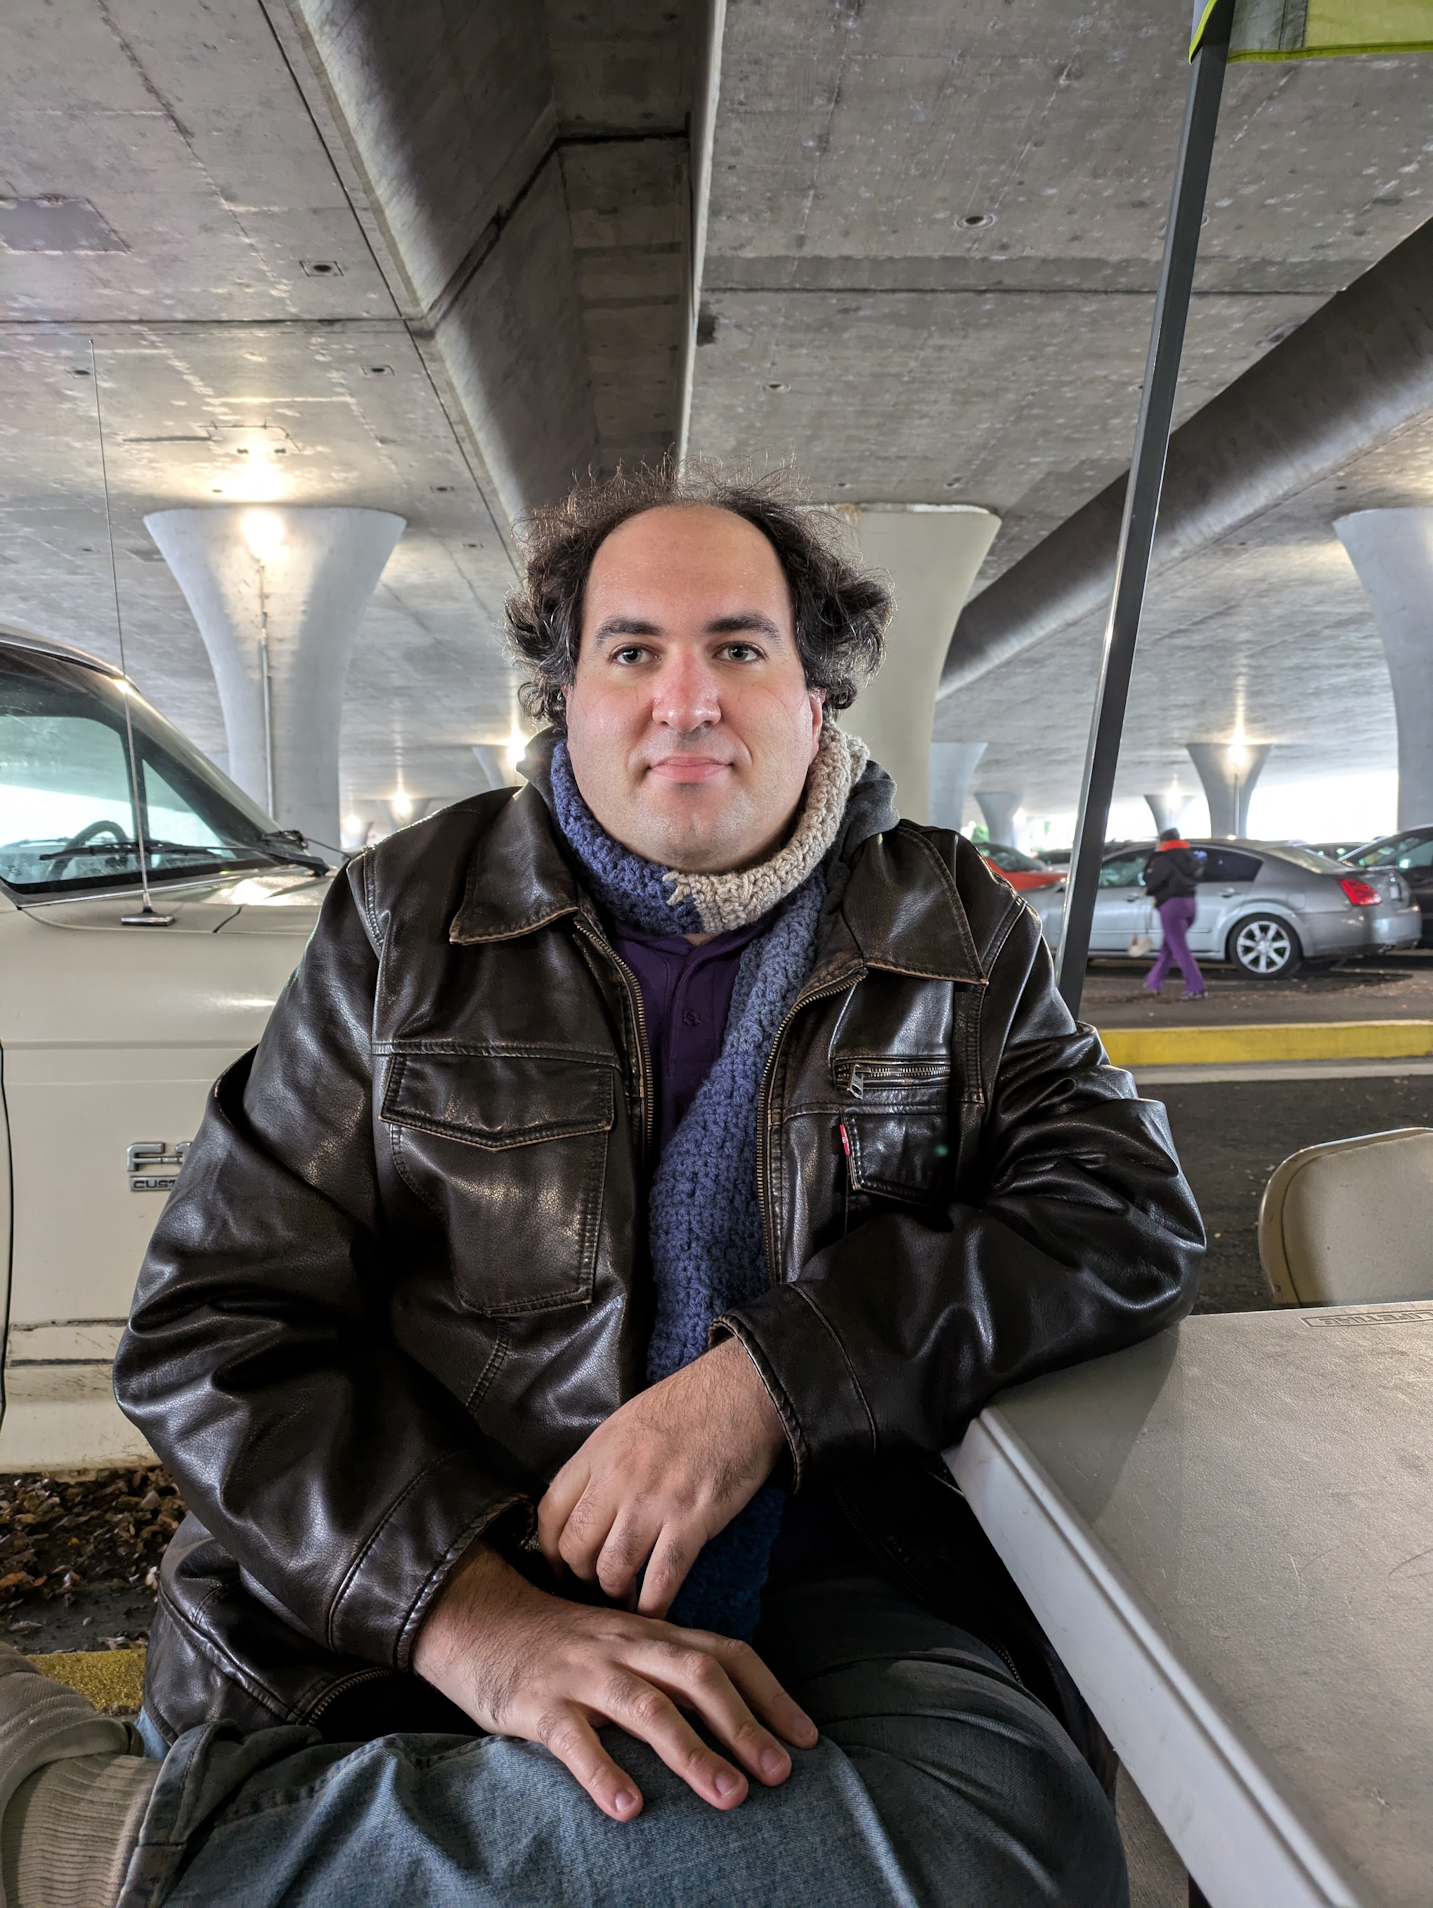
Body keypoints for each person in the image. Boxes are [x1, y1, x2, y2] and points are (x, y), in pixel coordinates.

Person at [9, 466, 1201, 1906]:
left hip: (834, 1554)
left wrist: (769, 1382)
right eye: (631, 650)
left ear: (818, 697)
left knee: (1015, 1823)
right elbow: (216, 1332)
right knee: (913, 1859)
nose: (684, 697)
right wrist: (482, 1623)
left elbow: (1122, 1207)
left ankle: (150, 1858)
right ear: (562, 700)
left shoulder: (947, 922)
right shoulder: (403, 920)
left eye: (739, 649)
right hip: (417, 1566)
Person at [1142, 828, 1207, 1001]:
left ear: (1163, 842)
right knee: (1169, 946)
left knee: (1179, 948)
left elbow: (1153, 880)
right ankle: (1153, 982)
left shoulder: (1162, 857)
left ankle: (1196, 987)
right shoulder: (1189, 856)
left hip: (1171, 906)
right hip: (1190, 903)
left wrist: (1150, 888)